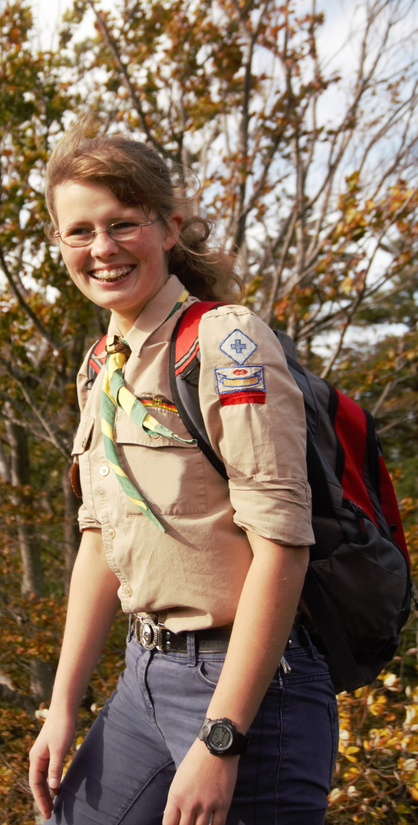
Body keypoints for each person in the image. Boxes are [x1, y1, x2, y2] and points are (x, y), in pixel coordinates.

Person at [28, 119, 339, 825]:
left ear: (168, 229)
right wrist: (63, 703)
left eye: (122, 224)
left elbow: (282, 548)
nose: (101, 249)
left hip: (254, 687)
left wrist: (221, 739)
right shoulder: (101, 366)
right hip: (146, 674)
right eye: (79, 232)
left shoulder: (226, 341)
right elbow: (100, 541)